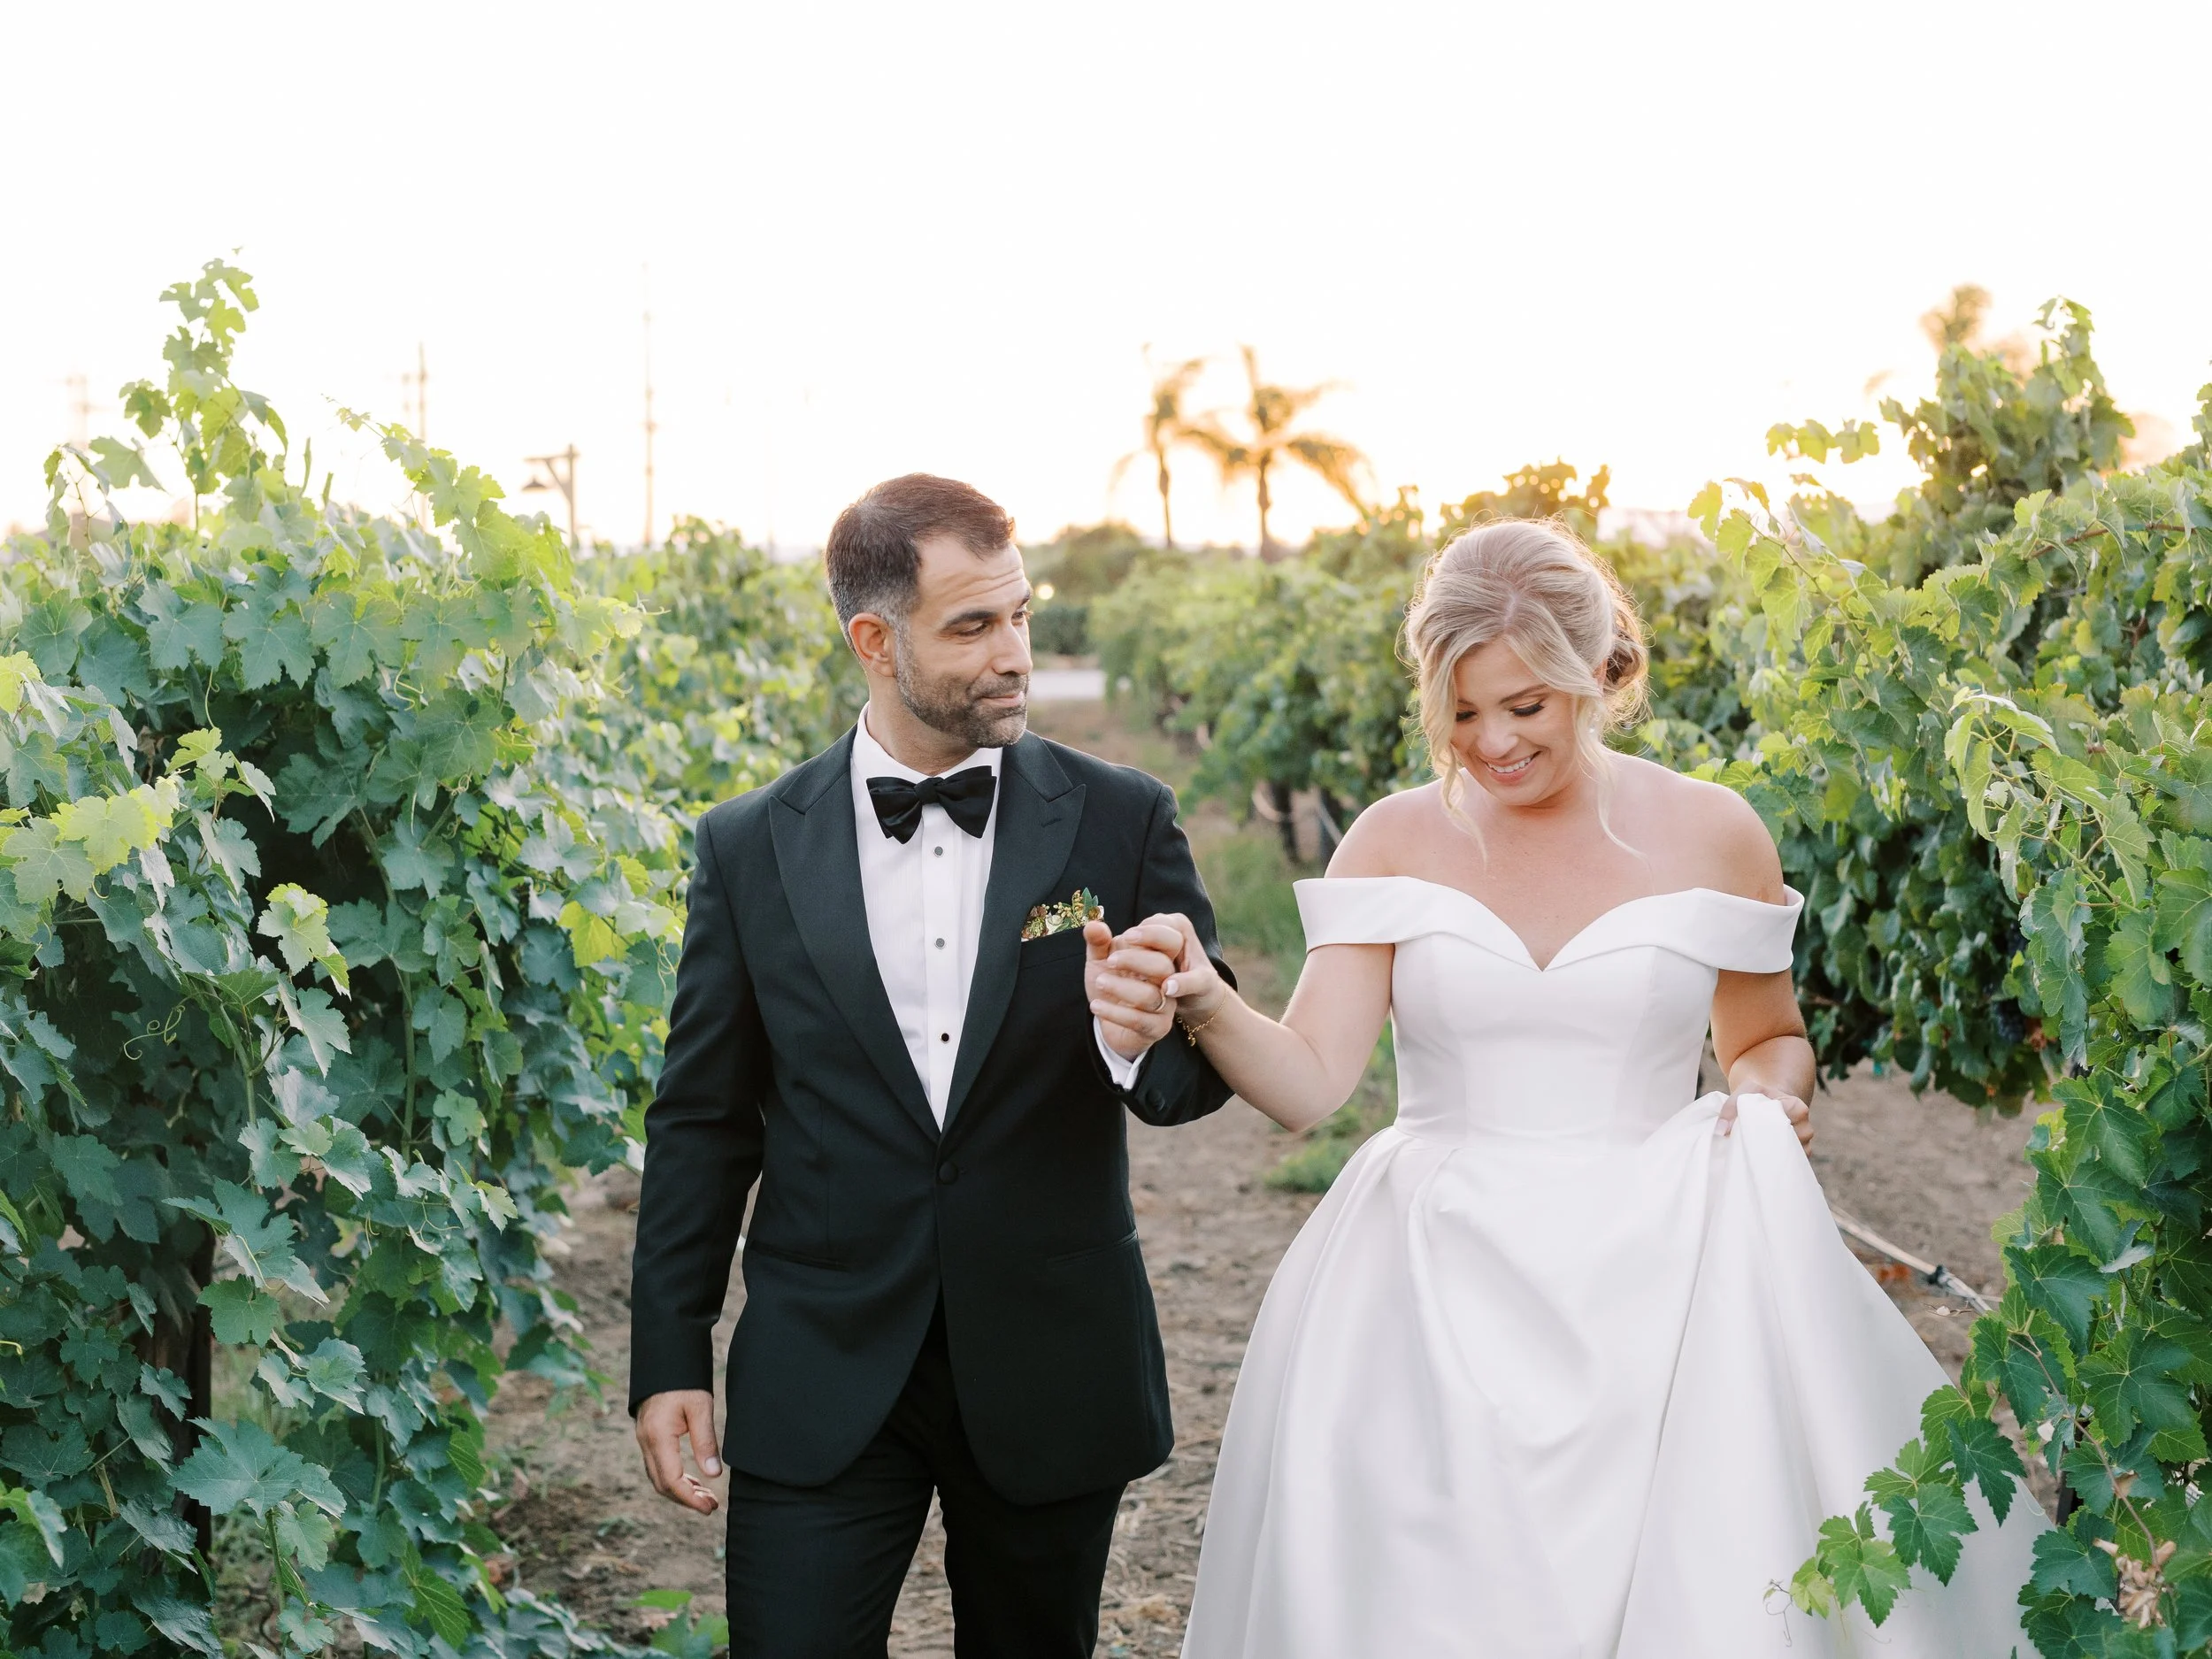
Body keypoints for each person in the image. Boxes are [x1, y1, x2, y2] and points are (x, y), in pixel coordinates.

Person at [1100, 518, 2046, 1655]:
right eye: (1459, 712)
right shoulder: (1392, 840)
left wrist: (1767, 1099)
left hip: (1656, 1265)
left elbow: (1766, 1035)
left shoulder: (1712, 832)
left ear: (1601, 675)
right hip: (1428, 1279)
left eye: (1524, 707)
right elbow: (1307, 1084)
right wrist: (1204, 998)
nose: (1491, 743)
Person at [626, 473, 1236, 1658]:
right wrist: (668, 1354)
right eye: (973, 626)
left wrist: (1135, 1039)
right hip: (825, 1362)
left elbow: (1191, 1081)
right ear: (874, 639)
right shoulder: (750, 843)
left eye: (1020, 613)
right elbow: (703, 1117)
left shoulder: (1121, 817)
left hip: (1052, 1357)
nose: (1016, 652)